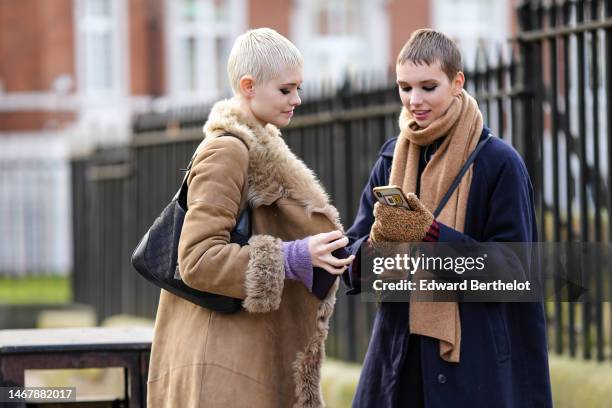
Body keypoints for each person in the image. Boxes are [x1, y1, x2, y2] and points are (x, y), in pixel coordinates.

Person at [343, 29, 552, 407]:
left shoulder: (499, 163)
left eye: (427, 87)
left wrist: (430, 235)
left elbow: (515, 271)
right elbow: (352, 262)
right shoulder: (391, 160)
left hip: (473, 369)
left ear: (457, 83)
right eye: (404, 88)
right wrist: (377, 244)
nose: (414, 100)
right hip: (398, 365)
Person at [147, 28, 354, 407]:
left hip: (244, 354)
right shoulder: (227, 151)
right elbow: (196, 259)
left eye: (298, 88)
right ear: (248, 85)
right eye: (286, 90)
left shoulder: (259, 143)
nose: (297, 99)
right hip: (222, 366)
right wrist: (292, 258)